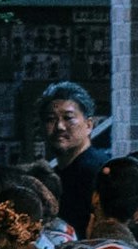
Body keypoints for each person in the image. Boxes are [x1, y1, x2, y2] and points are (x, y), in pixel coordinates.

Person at [39, 83, 108, 240]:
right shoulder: (52, 175)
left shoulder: (98, 172)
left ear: (89, 125)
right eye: (51, 119)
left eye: (68, 118)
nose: (60, 126)